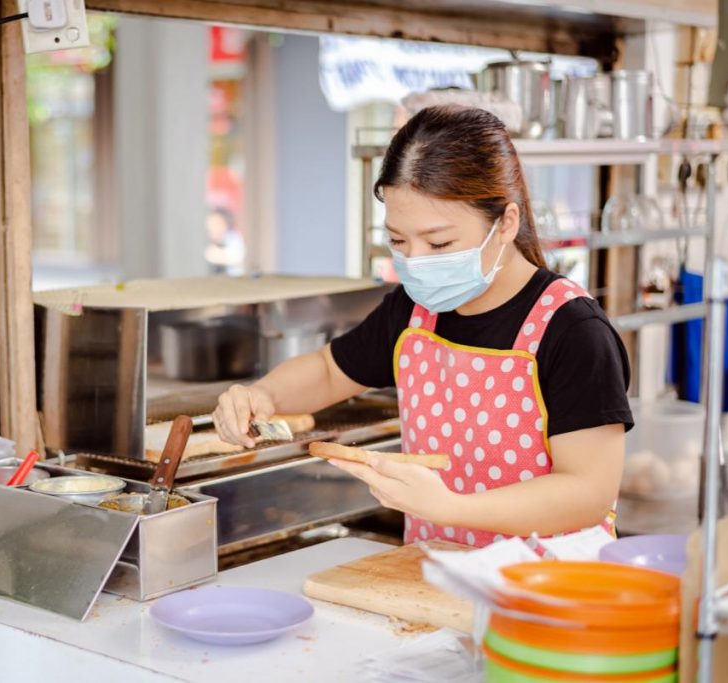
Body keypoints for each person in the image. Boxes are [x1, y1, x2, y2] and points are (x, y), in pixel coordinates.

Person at [212, 105, 632, 547]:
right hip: (435, 580)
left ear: (506, 223)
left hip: (548, 593)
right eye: (398, 241)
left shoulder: (572, 331)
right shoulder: (412, 312)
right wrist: (264, 395)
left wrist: (454, 509)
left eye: (439, 242)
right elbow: (330, 370)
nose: (416, 260)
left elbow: (587, 490)